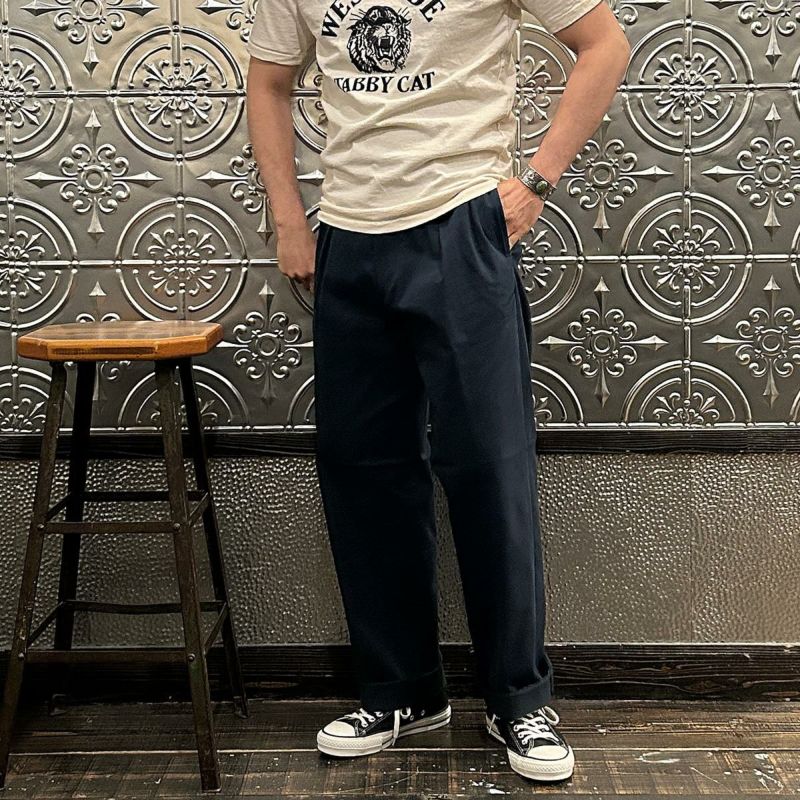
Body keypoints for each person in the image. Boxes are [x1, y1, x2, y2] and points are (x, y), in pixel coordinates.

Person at [245, 0, 629, 782]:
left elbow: (605, 44)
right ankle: (401, 690)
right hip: (349, 234)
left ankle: (518, 698)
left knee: (490, 467)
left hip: (461, 224)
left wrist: (535, 182)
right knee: (363, 470)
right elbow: (268, 80)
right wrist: (288, 218)